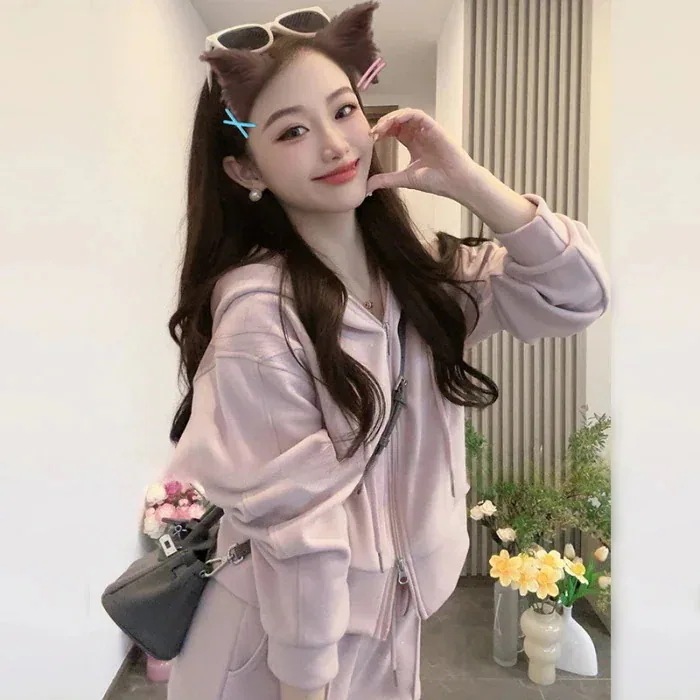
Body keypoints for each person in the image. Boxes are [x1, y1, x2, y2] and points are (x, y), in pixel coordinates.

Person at [164, 3, 609, 699]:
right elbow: (300, 535)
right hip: (278, 655)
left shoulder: (420, 276)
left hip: (388, 630)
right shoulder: (260, 313)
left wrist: (469, 180)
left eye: (344, 111)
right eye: (292, 131)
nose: (335, 146)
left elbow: (578, 294)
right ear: (246, 169)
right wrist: (309, 686)